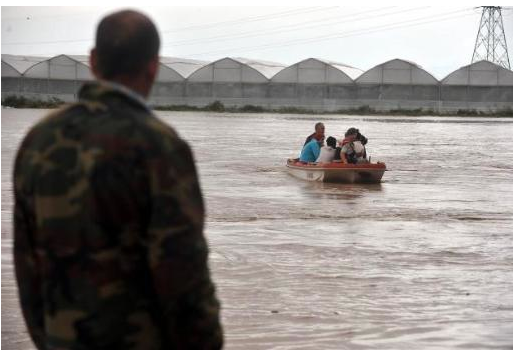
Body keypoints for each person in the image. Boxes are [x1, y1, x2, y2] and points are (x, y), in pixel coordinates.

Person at [13, 10, 223, 350]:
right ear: (154, 66)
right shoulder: (159, 145)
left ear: (93, 61)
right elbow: (183, 273)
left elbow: (26, 264)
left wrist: (49, 338)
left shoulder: (39, 140)